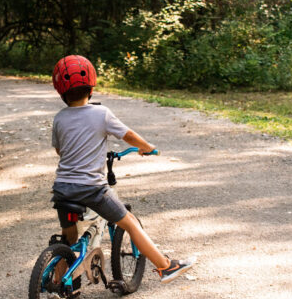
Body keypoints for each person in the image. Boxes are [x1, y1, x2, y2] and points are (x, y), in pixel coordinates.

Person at [50, 55, 196, 283]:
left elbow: (60, 151)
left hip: (62, 188)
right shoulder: (101, 114)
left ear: (61, 92)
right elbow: (127, 135)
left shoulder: (60, 118)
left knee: (69, 235)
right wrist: (146, 147)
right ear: (91, 88)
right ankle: (165, 266)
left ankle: (59, 282)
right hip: (91, 189)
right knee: (130, 222)